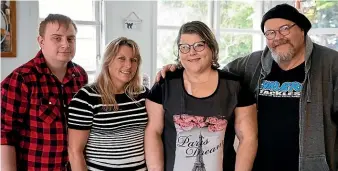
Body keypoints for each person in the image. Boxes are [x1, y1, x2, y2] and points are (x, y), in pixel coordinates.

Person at [156, 4, 338, 171]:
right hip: (260, 165)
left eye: (284, 29)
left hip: (309, 166)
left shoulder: (331, 64)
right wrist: (178, 69)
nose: (278, 38)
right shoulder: (252, 64)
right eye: (270, 33)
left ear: (302, 29)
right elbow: (208, 71)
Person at [145, 21, 257, 171]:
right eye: (184, 47)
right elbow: (153, 132)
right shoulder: (164, 85)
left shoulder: (235, 86)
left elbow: (248, 138)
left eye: (199, 45)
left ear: (212, 47)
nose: (191, 52)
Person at [1, 14, 88, 170]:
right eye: (57, 38)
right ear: (41, 41)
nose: (65, 44)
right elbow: (5, 136)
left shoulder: (80, 76)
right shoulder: (21, 79)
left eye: (70, 39)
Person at [67, 37, 148, 171]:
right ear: (108, 61)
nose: (129, 65)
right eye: (121, 59)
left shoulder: (143, 95)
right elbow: (75, 152)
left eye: (133, 60)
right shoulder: (86, 98)